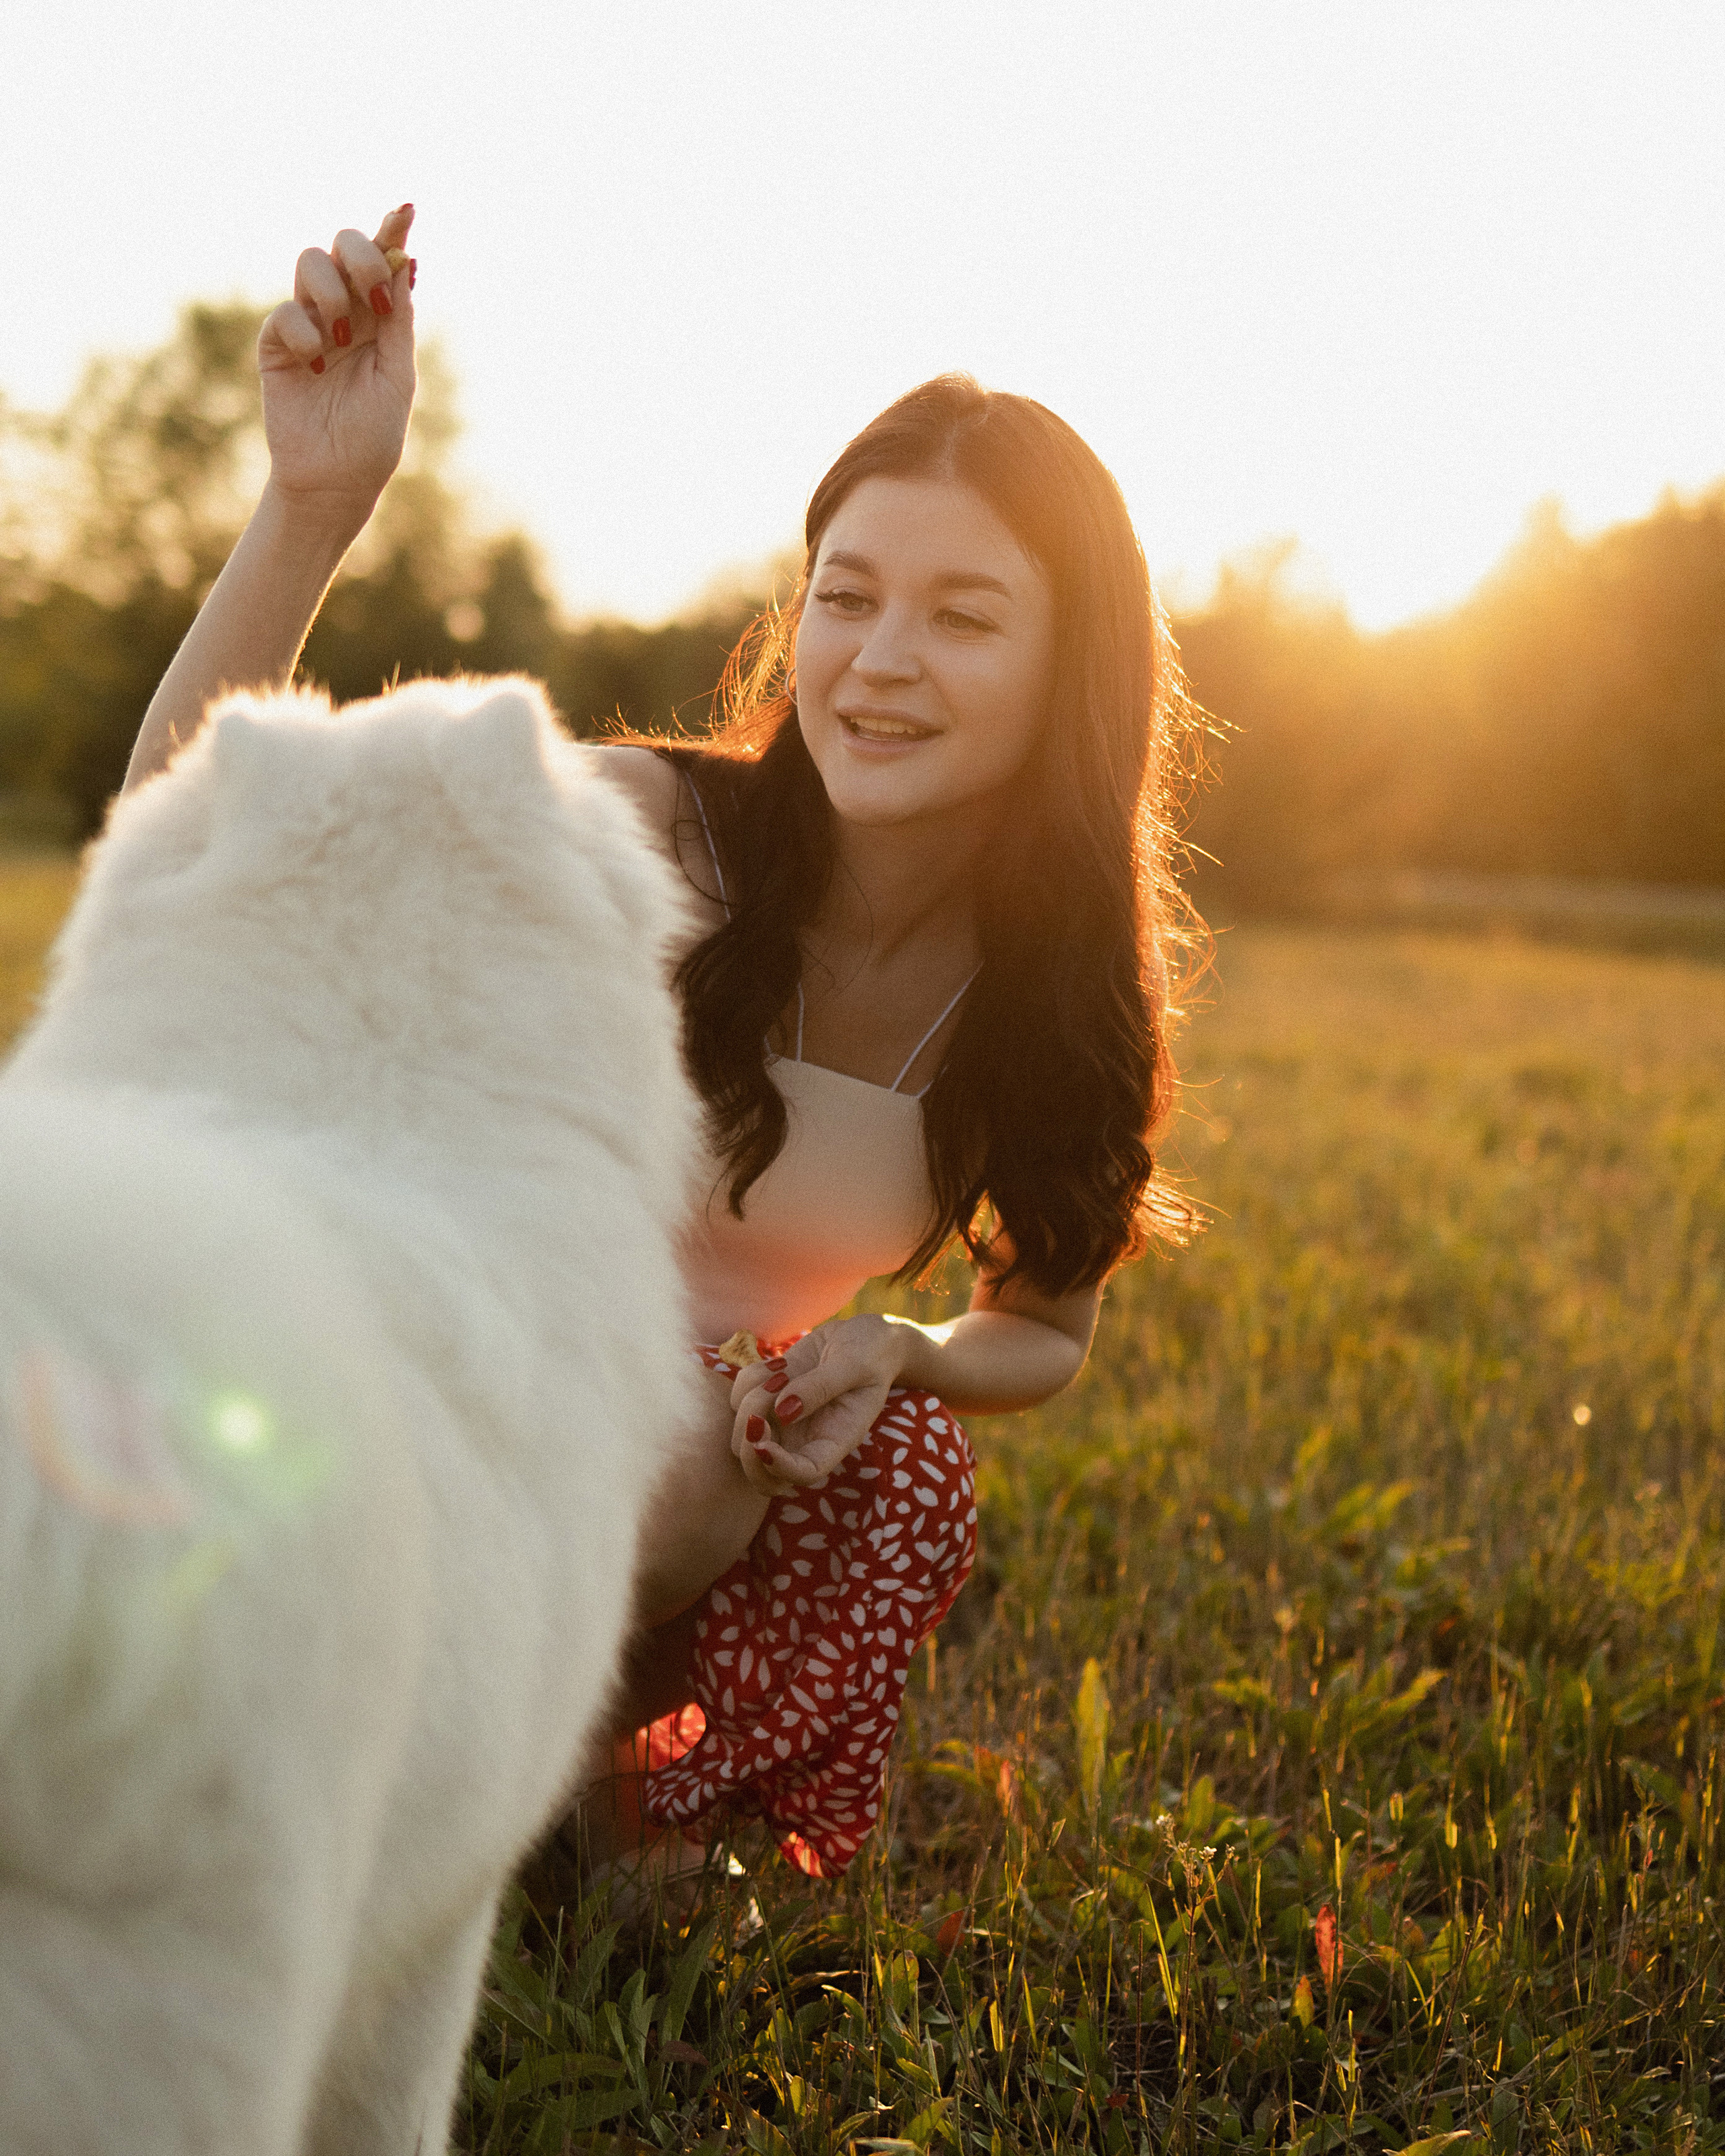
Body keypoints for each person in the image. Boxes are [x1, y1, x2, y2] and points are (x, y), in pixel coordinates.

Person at [125, 204, 1201, 1889]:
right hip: (398, 1410)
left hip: (664, 1523)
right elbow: (185, 846)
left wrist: (903, 1347)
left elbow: (1039, 1330)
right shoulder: (640, 835)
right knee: (679, 1432)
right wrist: (313, 504)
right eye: (847, 596)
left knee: (866, 1450)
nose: (882, 661)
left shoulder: (1057, 1000)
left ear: (1075, 667)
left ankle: (549, 1783)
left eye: (965, 616)